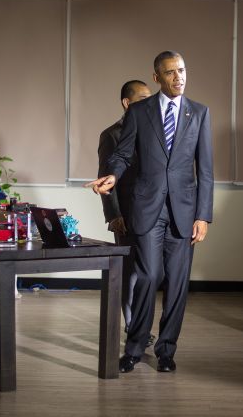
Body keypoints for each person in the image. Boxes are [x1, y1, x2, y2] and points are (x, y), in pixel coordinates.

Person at [89, 51, 213, 374]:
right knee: (146, 276)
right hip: (147, 208)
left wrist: (204, 215)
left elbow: (207, 171)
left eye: (182, 70)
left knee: (177, 283)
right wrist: (112, 175)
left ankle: (167, 350)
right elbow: (123, 154)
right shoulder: (140, 112)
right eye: (171, 72)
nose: (179, 77)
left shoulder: (199, 113)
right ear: (157, 77)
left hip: (185, 212)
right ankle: (134, 346)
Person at [93, 80, 152, 343]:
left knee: (147, 272)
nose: (150, 104)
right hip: (125, 214)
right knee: (129, 272)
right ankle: (132, 327)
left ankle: (141, 325)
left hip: (151, 214)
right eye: (143, 98)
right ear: (127, 103)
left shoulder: (155, 131)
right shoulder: (111, 134)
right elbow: (105, 176)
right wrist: (114, 214)